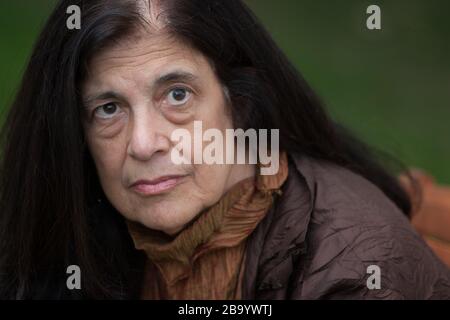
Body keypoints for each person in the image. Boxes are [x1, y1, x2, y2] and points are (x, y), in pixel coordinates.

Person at [1, 0, 449, 299]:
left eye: (177, 95)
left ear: (240, 101)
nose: (142, 144)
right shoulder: (81, 232)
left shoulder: (353, 274)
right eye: (109, 108)